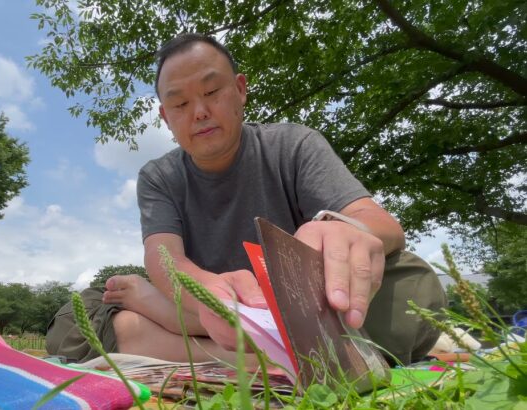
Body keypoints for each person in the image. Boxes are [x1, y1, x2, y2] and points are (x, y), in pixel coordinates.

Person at [46, 33, 446, 366]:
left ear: (240, 90)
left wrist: (342, 230)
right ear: (166, 118)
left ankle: (190, 338)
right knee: (80, 313)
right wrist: (211, 298)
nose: (199, 112)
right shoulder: (160, 175)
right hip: (207, 298)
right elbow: (166, 261)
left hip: (300, 301)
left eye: (212, 91)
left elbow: (382, 225)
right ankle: (283, 357)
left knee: (411, 286)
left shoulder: (293, 144)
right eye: (181, 104)